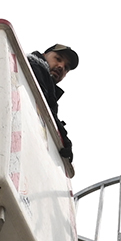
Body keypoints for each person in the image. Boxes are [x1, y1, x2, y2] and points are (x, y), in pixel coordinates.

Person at [27, 44, 80, 175]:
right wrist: (63, 137)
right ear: (44, 55)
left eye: (66, 68)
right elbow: (41, 102)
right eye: (58, 58)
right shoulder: (33, 67)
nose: (61, 67)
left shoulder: (49, 87)